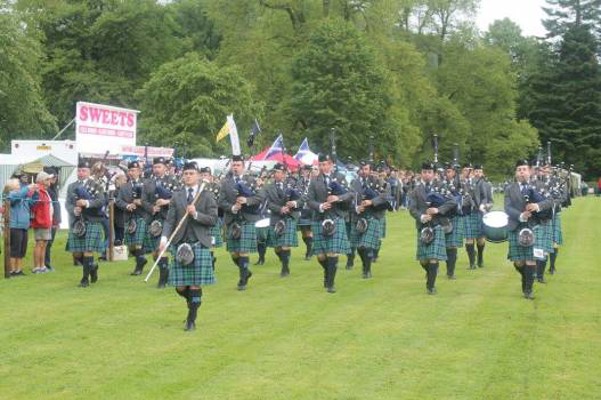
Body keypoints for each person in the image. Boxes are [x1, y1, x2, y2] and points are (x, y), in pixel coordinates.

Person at [158, 161, 217, 331]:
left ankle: (191, 319)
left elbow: (213, 220)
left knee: (195, 284)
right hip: (180, 242)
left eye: (191, 173)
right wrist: (164, 239)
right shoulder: (177, 196)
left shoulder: (207, 195)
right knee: (180, 286)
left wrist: (196, 214)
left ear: (198, 175)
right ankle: (192, 301)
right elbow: (170, 220)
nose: (188, 176)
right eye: (186, 174)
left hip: (199, 243)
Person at [505, 159, 553, 300]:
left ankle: (528, 290)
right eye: (519, 169)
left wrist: (537, 206)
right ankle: (527, 277)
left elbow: (550, 201)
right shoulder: (509, 188)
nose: (522, 172)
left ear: (530, 171)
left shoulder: (539, 185)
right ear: (516, 173)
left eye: (524, 169)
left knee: (531, 259)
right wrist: (521, 215)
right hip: (517, 225)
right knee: (518, 261)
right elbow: (507, 208)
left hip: (534, 225)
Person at [306, 154, 353, 293]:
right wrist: (320, 206)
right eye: (320, 164)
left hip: (336, 217)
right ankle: (328, 271)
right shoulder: (314, 181)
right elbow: (309, 200)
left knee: (332, 252)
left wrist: (338, 198)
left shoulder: (340, 178)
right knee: (320, 255)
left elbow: (351, 194)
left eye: (325, 164)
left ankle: (330, 283)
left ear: (331, 164)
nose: (322, 167)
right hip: (319, 218)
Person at [408, 161, 457, 295]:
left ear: (434, 174)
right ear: (421, 174)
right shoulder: (415, 191)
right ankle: (431, 271)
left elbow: (452, 201)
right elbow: (412, 209)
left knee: (434, 257)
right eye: (424, 172)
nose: (427, 175)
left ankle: (431, 286)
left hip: (438, 225)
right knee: (424, 259)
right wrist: (421, 216)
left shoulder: (441, 187)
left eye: (429, 172)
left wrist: (438, 209)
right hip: (423, 226)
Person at [218, 155, 265, 290]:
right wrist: (232, 207)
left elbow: (260, 197)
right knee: (234, 252)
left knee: (243, 250)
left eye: (238, 165)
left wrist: (247, 201)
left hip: (247, 218)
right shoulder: (225, 182)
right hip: (232, 219)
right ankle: (246, 271)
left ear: (243, 166)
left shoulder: (251, 180)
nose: (235, 167)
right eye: (234, 165)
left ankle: (243, 280)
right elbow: (221, 201)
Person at [65, 160, 107, 287]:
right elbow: (68, 203)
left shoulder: (96, 185)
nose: (80, 173)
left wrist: (87, 203)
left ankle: (85, 279)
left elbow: (101, 201)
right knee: (77, 253)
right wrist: (74, 209)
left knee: (88, 250)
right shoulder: (71, 186)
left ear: (89, 172)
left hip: (92, 220)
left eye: (83, 170)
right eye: (79, 170)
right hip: (77, 221)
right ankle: (92, 266)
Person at [141, 157, 181, 288]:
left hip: (168, 219)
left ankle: (163, 280)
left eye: (160, 167)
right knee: (155, 252)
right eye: (155, 167)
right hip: (153, 220)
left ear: (165, 168)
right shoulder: (148, 183)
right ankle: (166, 271)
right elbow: (143, 201)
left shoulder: (174, 180)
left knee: (161, 249)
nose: (157, 169)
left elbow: (180, 198)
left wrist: (166, 202)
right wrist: (152, 208)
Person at [349, 161, 390, 279]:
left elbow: (385, 196)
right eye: (362, 169)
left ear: (370, 170)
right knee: (359, 247)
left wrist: (372, 202)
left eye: (366, 169)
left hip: (372, 216)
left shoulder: (379, 182)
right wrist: (356, 208)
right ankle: (365, 265)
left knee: (365, 245)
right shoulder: (354, 183)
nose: (363, 171)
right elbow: (350, 198)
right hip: (358, 216)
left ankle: (367, 270)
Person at [264, 163, 303, 277]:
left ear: (284, 174)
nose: (276, 174)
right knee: (277, 247)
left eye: (279, 172)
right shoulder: (268, 187)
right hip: (276, 217)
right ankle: (284, 260)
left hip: (289, 217)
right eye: (275, 172)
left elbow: (302, 199)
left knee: (285, 244)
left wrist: (293, 203)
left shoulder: (292, 185)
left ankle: (285, 268)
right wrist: (280, 208)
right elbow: (267, 203)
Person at [116, 161, 149, 276]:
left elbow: (152, 200)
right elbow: (118, 201)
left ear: (139, 171)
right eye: (129, 170)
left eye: (133, 170)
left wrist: (142, 202)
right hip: (129, 217)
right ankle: (141, 258)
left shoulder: (147, 184)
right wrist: (127, 205)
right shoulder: (124, 186)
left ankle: (138, 267)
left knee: (138, 241)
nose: (131, 173)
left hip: (142, 216)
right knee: (131, 245)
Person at [439, 163, 464, 279]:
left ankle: (450, 272)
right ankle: (433, 269)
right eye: (446, 171)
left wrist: (458, 203)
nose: (447, 173)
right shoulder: (440, 184)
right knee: (439, 244)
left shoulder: (461, 184)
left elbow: (467, 198)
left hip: (455, 216)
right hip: (442, 216)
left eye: (449, 171)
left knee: (452, 245)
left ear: (454, 172)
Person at [4, 178, 33, 276]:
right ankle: (11, 270)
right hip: (15, 226)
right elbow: (18, 196)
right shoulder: (11, 195)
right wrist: (27, 188)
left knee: (22, 250)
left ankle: (18, 270)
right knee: (15, 250)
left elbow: (33, 203)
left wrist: (34, 192)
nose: (19, 185)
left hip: (24, 226)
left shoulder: (21, 195)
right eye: (17, 184)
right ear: (11, 186)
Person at [30, 171, 54, 274]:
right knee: (39, 243)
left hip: (47, 221)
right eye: (48, 179)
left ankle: (42, 265)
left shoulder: (45, 191)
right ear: (42, 181)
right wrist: (39, 219)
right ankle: (36, 267)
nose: (50, 181)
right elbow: (33, 206)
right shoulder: (38, 191)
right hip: (41, 222)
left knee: (44, 244)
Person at [200, 167, 222, 271]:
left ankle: (211, 263)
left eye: (206, 175)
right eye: (202, 175)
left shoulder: (216, 187)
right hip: (200, 218)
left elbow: (217, 203)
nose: (204, 177)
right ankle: (208, 261)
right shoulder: (198, 187)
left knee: (211, 243)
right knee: (203, 242)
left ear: (210, 176)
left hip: (211, 218)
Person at [43, 167, 61, 271]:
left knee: (49, 243)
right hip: (50, 219)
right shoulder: (48, 190)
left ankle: (46, 263)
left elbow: (56, 206)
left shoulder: (54, 189)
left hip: (54, 219)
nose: (55, 179)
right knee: (47, 243)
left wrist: (57, 221)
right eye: (53, 177)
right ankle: (45, 263)